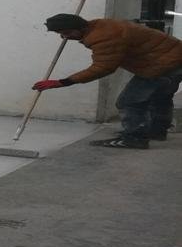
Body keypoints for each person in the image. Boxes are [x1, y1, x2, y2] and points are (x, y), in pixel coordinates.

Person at [33, 13, 182, 149]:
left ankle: (134, 138)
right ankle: (156, 132)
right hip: (174, 59)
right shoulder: (101, 25)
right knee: (160, 98)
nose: (64, 37)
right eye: (60, 34)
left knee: (129, 102)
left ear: (80, 27)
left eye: (67, 33)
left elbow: (103, 67)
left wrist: (63, 82)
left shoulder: (104, 37)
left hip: (162, 65)